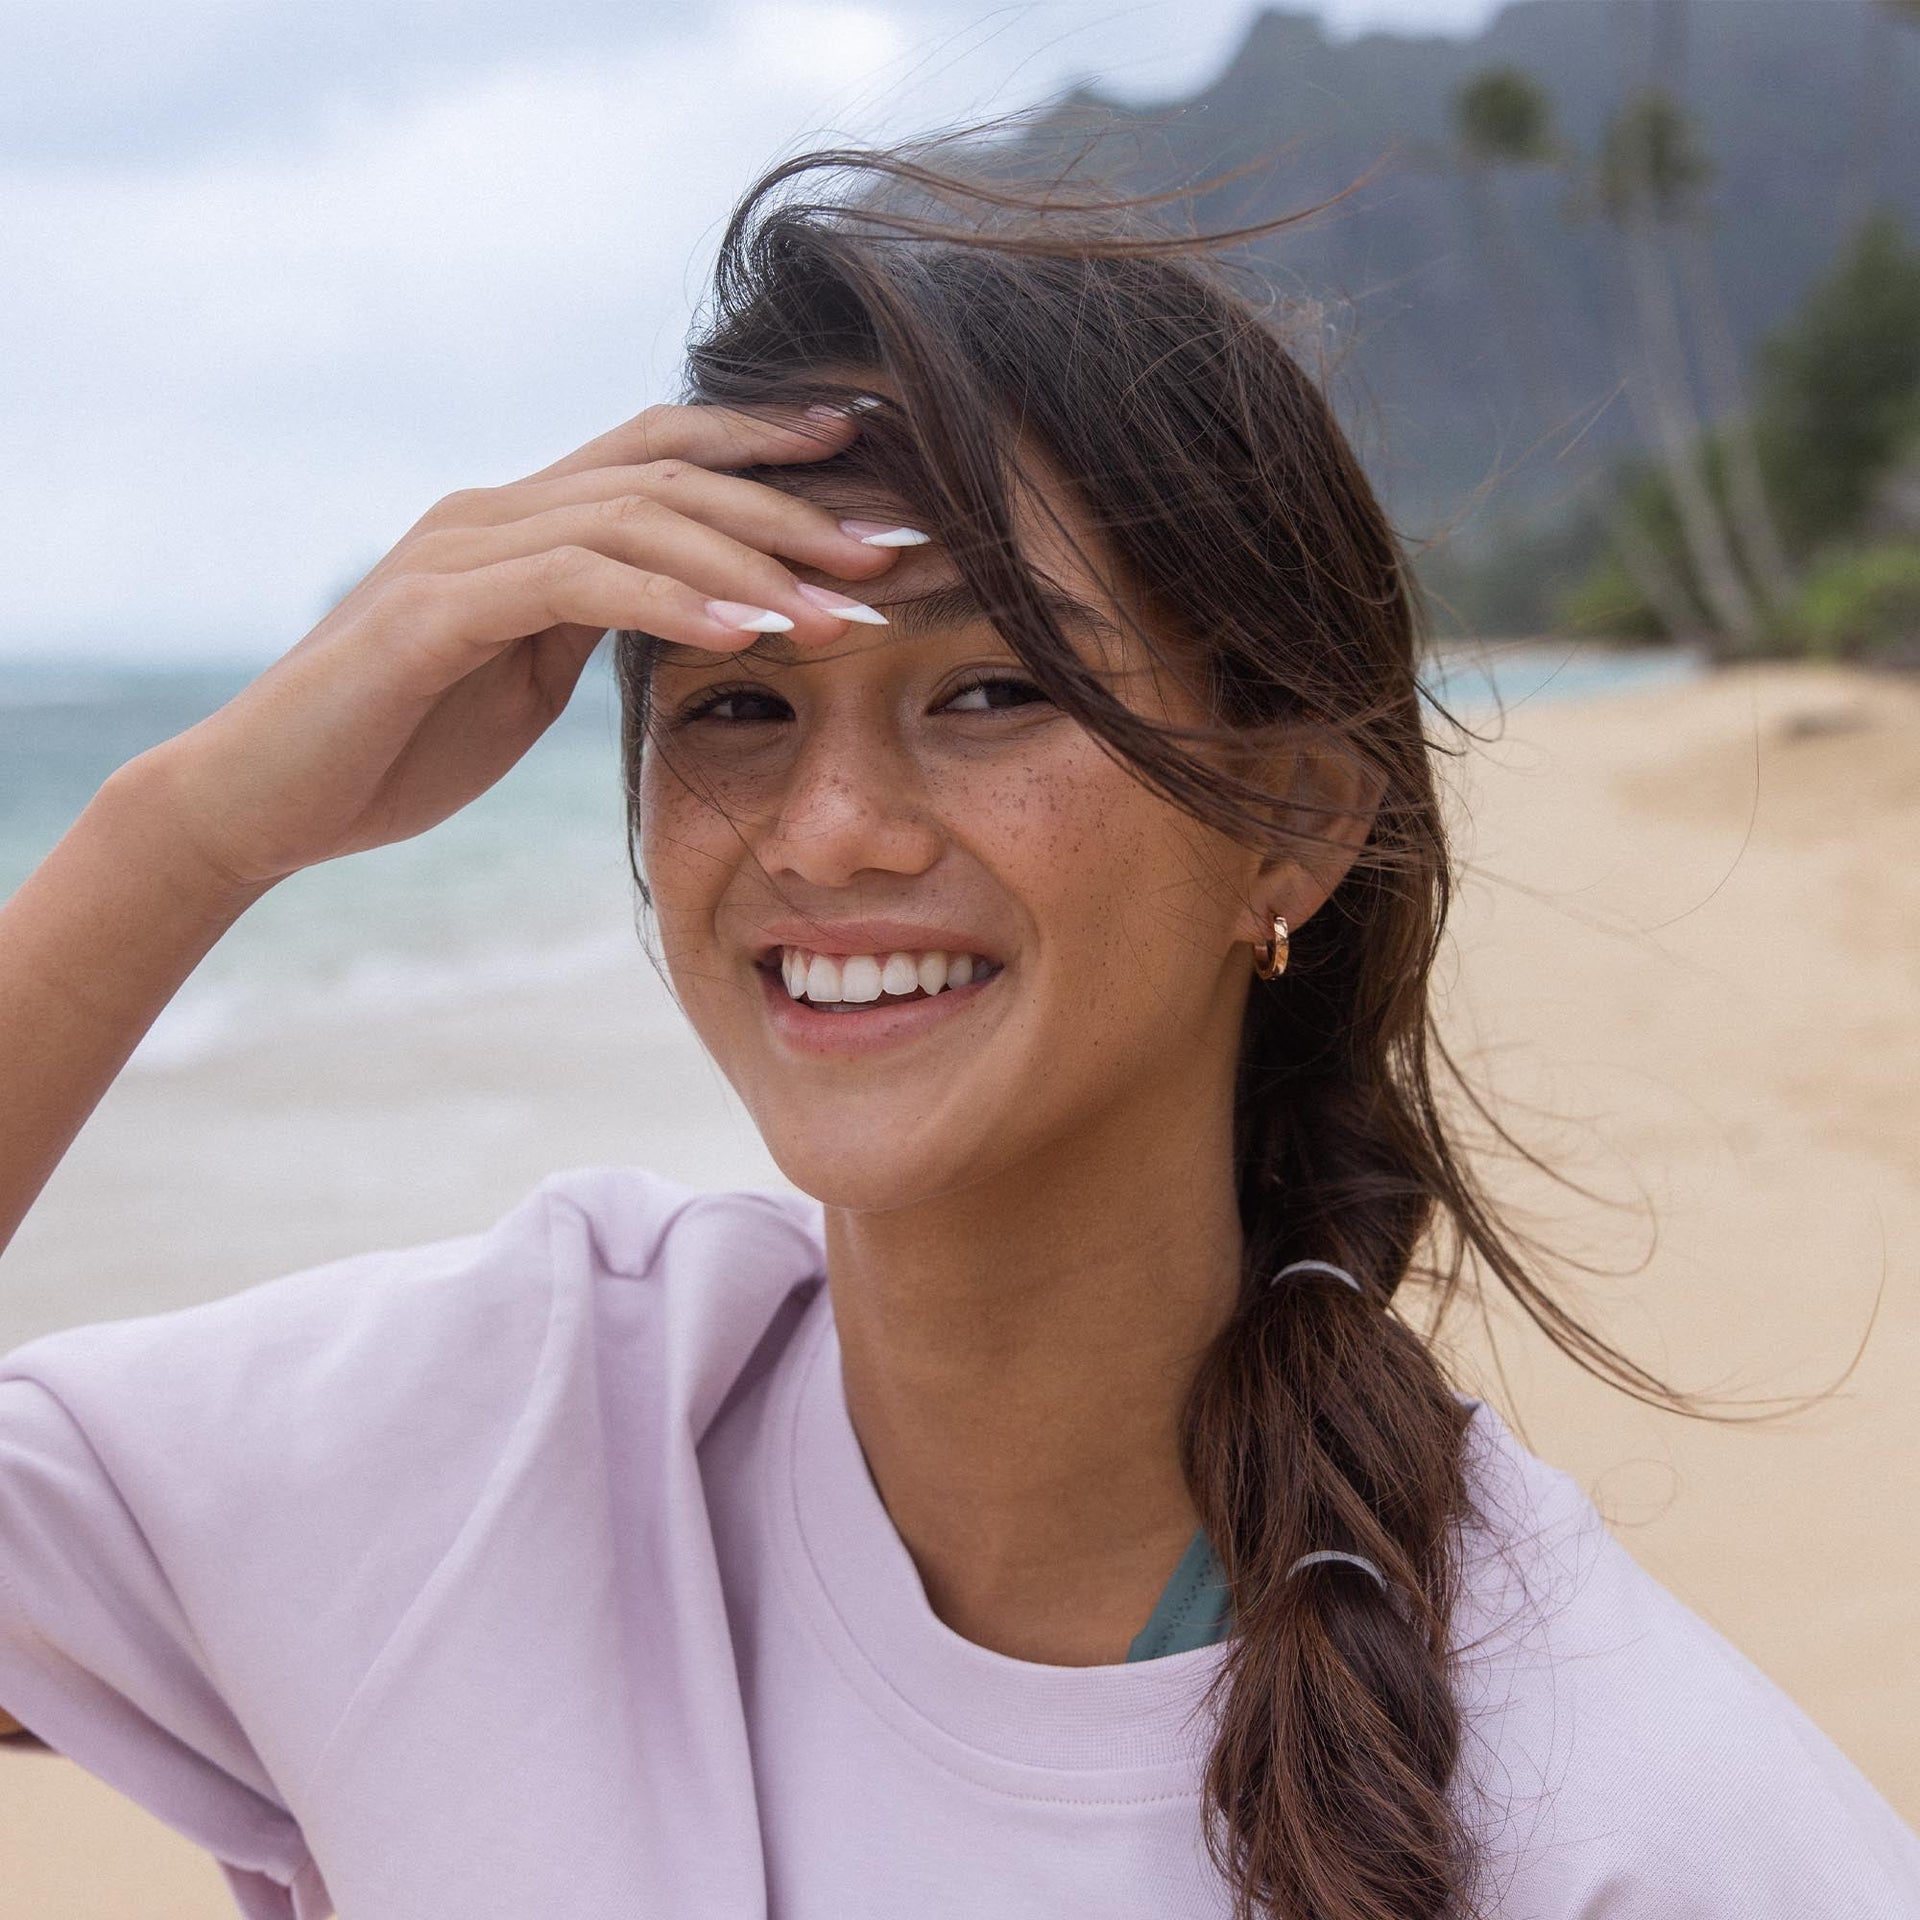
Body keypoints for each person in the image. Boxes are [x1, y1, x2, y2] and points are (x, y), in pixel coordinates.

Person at [0, 146, 1915, 1920]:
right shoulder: (492, 1448)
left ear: (1299, 820)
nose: (831, 835)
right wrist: (189, 833)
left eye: (991, 688)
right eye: (737, 711)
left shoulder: (1641, 1821)